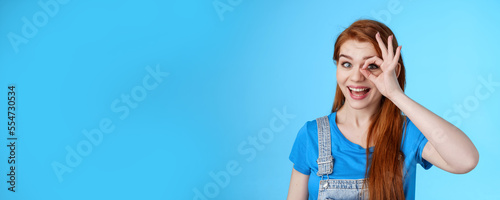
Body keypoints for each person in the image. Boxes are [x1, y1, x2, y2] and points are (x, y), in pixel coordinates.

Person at [286, 19, 479, 200]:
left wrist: (395, 94)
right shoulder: (311, 135)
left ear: (393, 72)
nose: (356, 77)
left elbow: (466, 160)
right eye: (347, 64)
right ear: (337, 67)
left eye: (371, 66)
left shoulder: (406, 133)